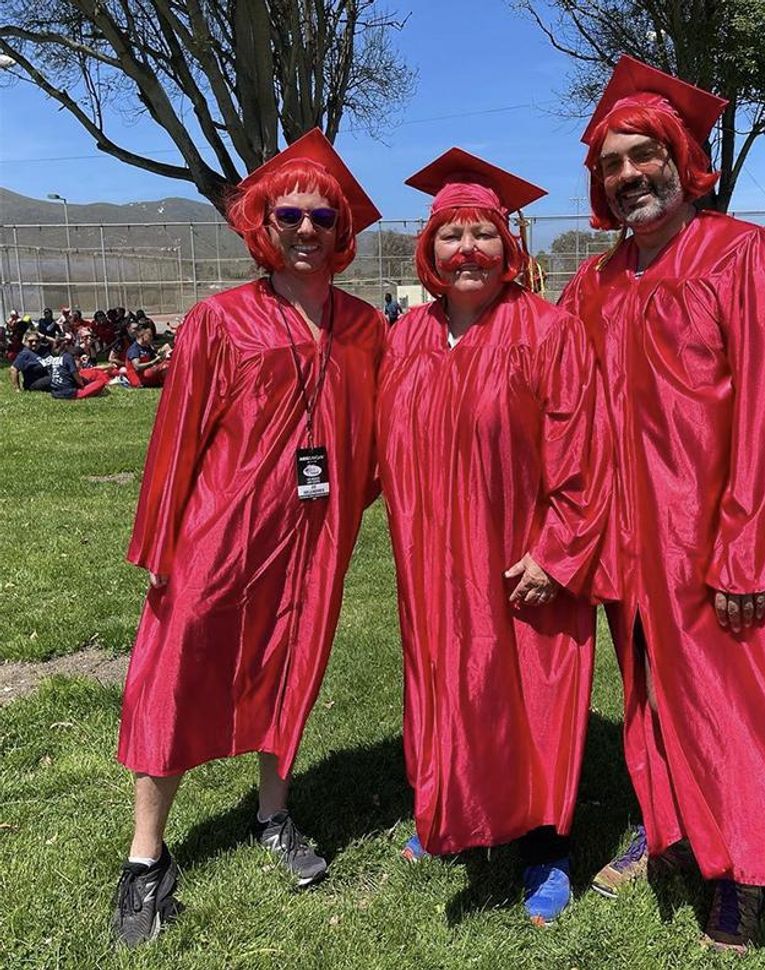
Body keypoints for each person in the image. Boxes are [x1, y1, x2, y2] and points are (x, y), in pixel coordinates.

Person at [559, 56, 765, 954]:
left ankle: (746, 873)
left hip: (711, 538)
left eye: (646, 155)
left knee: (732, 703)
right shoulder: (592, 286)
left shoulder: (747, 257)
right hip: (625, 541)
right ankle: (667, 829)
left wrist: (750, 550)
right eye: (613, 163)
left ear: (682, 159)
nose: (630, 174)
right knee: (648, 696)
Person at [111, 129, 385, 947]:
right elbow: (176, 441)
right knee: (176, 672)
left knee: (292, 665)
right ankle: (146, 859)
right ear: (264, 225)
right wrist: (160, 545)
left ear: (344, 233)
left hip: (314, 535)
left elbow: (388, 435)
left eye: (323, 217)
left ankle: (274, 813)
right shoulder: (219, 321)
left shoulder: (368, 329)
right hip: (220, 532)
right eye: (290, 214)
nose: (307, 229)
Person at [377, 149, 613, 925]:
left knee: (531, 694)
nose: (468, 250)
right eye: (452, 235)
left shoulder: (548, 332)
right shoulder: (407, 336)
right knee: (445, 680)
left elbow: (585, 453)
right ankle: (447, 810)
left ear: (509, 248)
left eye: (483, 233)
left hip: (520, 557)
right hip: (431, 559)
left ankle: (543, 846)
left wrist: (558, 549)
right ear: (428, 249)